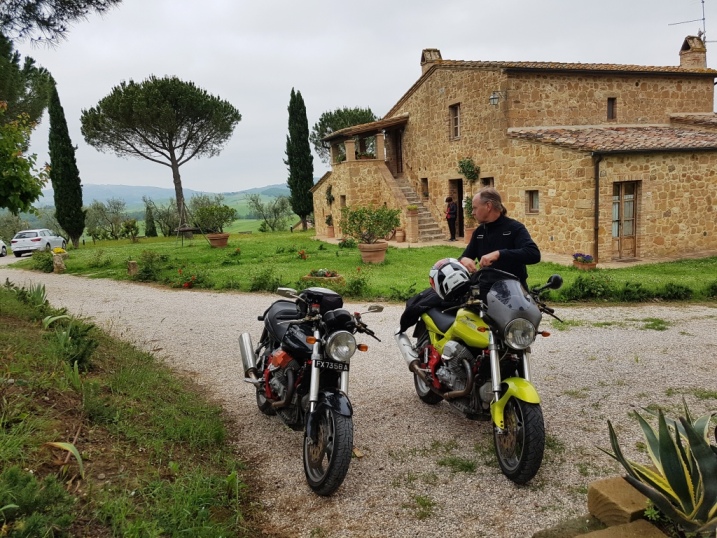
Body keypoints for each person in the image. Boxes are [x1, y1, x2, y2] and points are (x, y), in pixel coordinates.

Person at [459, 187, 540, 294]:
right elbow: (465, 256)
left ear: (488, 206)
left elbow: (533, 254)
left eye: (475, 208)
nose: (472, 212)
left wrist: (499, 254)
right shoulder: (479, 232)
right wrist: (463, 260)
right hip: (486, 292)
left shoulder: (514, 228)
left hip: (514, 293)